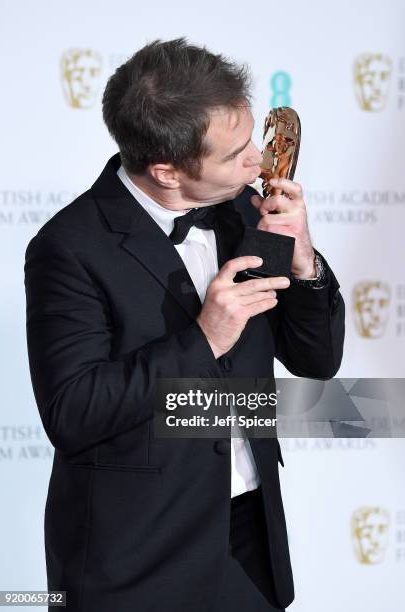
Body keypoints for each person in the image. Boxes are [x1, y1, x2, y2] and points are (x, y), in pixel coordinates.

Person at [24, 38, 345, 612]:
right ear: (166, 171)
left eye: (251, 139)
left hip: (248, 525)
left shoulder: (247, 207)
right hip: (139, 552)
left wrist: (305, 266)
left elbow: (316, 360)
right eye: (234, 154)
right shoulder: (68, 247)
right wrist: (203, 339)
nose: (257, 162)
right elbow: (73, 413)